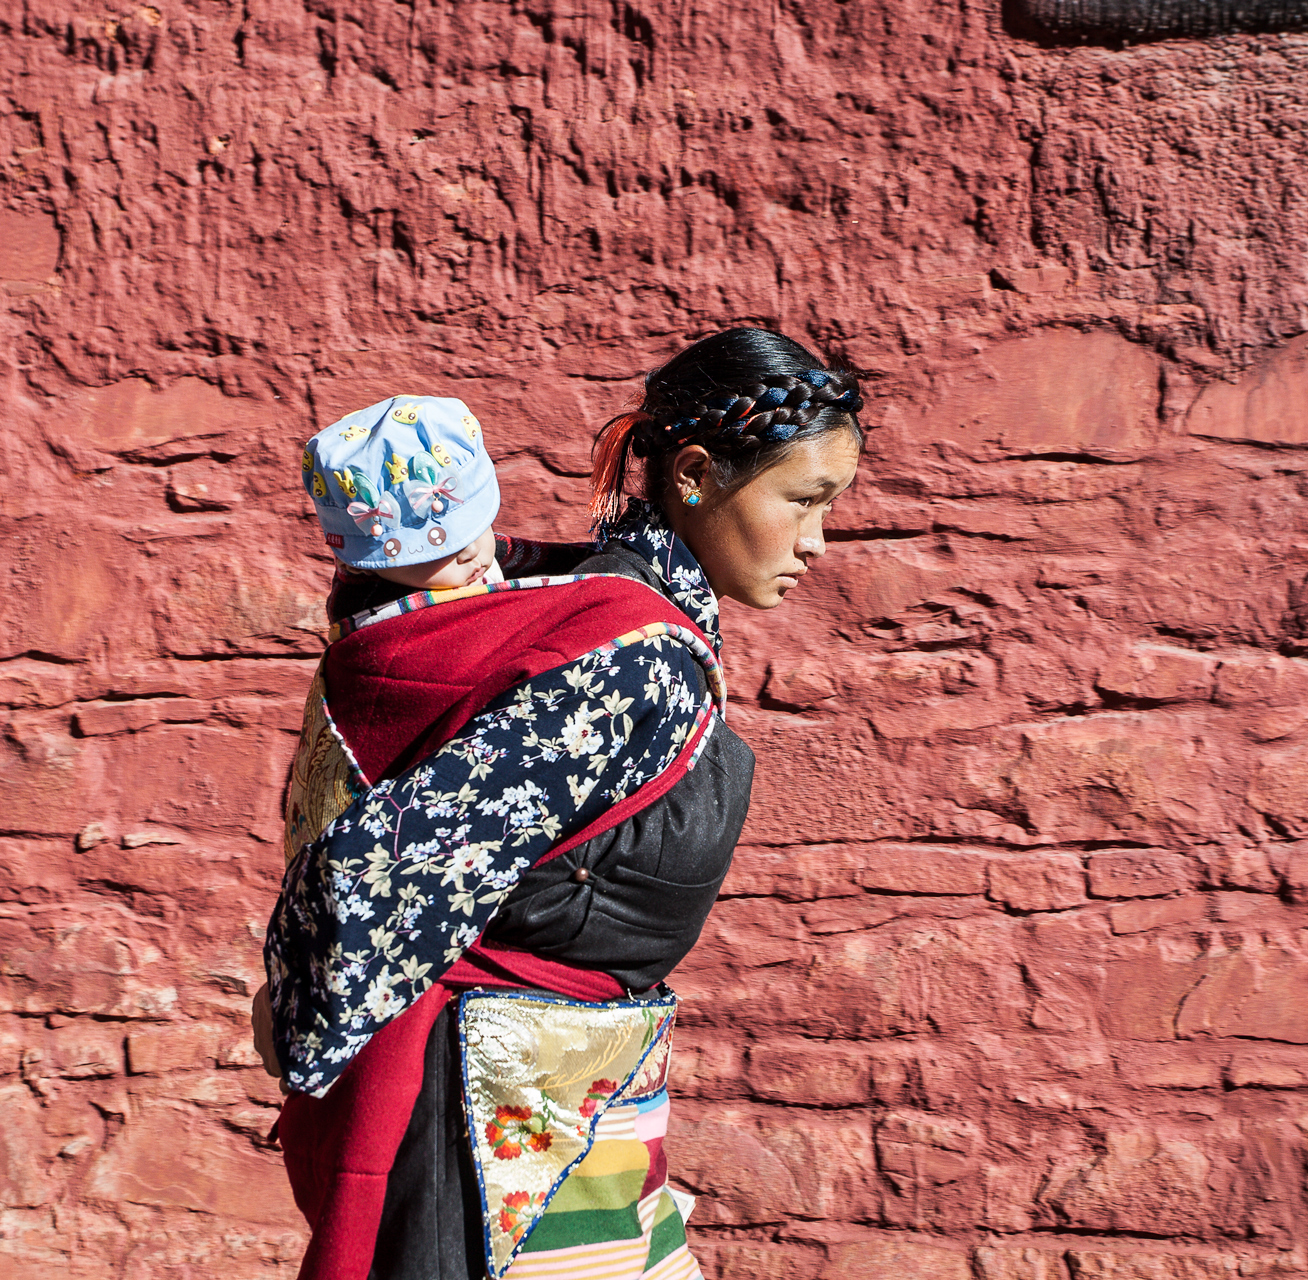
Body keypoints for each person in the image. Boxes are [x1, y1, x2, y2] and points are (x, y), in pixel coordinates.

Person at [255, 328, 866, 1280]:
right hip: (480, 1139)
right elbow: (379, 871)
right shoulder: (630, 656)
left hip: (566, 1112)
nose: (818, 542)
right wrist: (297, 1013)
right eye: (805, 501)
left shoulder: (604, 609)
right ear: (697, 473)